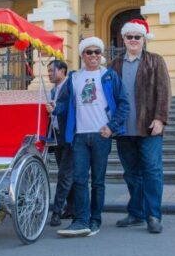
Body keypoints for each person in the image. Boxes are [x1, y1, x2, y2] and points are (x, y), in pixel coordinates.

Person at [55, 37, 129, 238]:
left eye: (97, 51)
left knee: (97, 181)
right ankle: (81, 220)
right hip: (79, 136)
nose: (94, 55)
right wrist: (54, 108)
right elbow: (63, 103)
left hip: (100, 135)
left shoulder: (109, 76)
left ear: (101, 54)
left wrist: (112, 127)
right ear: (82, 55)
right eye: (89, 52)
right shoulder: (74, 78)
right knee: (79, 180)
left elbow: (124, 104)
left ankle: (95, 219)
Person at [109, 18, 171, 234]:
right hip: (124, 129)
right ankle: (136, 213)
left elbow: (163, 91)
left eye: (137, 37)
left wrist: (160, 119)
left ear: (144, 39)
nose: (133, 40)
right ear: (123, 39)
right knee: (131, 173)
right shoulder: (114, 64)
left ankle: (153, 215)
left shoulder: (155, 61)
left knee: (152, 171)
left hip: (149, 127)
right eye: (129, 37)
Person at [46, 59, 74, 227]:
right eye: (48, 71)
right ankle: (72, 208)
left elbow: (65, 106)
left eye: (52, 70)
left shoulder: (70, 86)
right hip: (57, 137)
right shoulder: (52, 90)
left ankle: (56, 212)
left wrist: (55, 108)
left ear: (62, 70)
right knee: (67, 175)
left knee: (64, 175)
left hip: (70, 136)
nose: (49, 74)